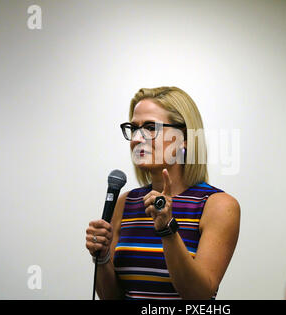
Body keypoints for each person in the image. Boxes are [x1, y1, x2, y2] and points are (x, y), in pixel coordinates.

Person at [85, 86, 240, 300]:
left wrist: (168, 230)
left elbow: (199, 297)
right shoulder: (126, 202)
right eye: (133, 128)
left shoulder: (218, 205)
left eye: (150, 127)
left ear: (184, 137)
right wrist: (101, 258)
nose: (137, 139)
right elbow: (112, 298)